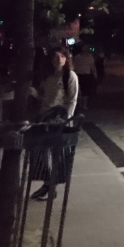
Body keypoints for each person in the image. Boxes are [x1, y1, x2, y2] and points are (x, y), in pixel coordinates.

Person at [27, 47, 80, 201]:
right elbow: (43, 96)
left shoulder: (70, 76)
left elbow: (72, 99)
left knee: (59, 154)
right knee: (39, 151)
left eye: (61, 57)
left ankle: (51, 185)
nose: (58, 60)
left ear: (66, 59)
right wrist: (33, 92)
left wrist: (66, 119)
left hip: (60, 119)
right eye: (55, 57)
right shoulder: (47, 76)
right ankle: (47, 181)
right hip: (44, 117)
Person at [71, 43, 97, 110]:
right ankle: (80, 104)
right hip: (79, 75)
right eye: (84, 49)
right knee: (80, 90)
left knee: (86, 90)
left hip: (87, 75)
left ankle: (84, 104)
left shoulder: (90, 57)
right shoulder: (77, 57)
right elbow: (74, 66)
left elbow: (92, 66)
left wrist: (94, 74)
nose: (85, 50)